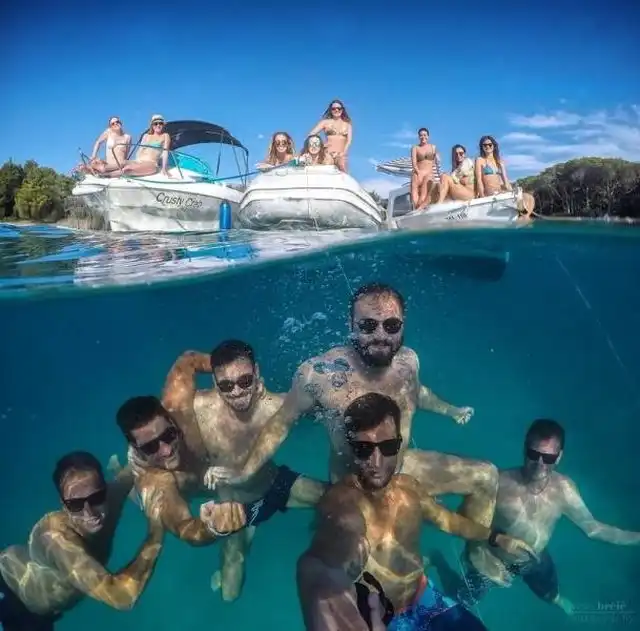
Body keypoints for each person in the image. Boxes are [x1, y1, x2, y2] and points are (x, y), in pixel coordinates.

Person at [207, 283, 498, 576]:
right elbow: (282, 422)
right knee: (375, 571)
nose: (381, 335)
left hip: (400, 469)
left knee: (486, 476)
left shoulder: (408, 361)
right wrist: (245, 471)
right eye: (368, 326)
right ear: (351, 325)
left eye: (391, 325)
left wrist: (449, 410)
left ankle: (475, 554)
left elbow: (416, 392)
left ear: (403, 323)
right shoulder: (318, 375)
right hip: (355, 488)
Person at [296, 393, 535, 630]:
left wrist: (495, 537)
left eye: (387, 447)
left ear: (399, 444)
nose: (376, 462)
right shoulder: (341, 502)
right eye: (364, 448)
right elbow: (330, 547)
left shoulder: (409, 488)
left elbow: (447, 520)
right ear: (351, 448)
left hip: (424, 598)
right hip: (381, 618)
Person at [123, 346, 325, 602]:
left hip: (271, 483)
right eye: (150, 447)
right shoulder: (158, 475)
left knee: (337, 499)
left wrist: (231, 372)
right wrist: (213, 527)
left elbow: (189, 359)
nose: (165, 449)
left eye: (168, 436)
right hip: (233, 508)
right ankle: (119, 472)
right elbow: (186, 529)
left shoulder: (182, 407)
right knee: (230, 594)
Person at [432, 418, 640, 616]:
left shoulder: (564, 491)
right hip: (494, 560)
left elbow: (593, 529)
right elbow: (462, 517)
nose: (540, 463)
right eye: (534, 454)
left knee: (549, 591)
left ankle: (555, 598)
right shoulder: (499, 483)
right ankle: (438, 561)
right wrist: (480, 555)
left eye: (548, 458)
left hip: (535, 557)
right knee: (459, 600)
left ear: (559, 457)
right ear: (524, 449)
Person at [0, 452, 162, 629]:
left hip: (32, 588)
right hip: (17, 601)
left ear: (105, 490)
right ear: (64, 505)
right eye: (76, 505)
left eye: (96, 498)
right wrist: (156, 532)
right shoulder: (58, 541)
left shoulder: (112, 497)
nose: (89, 512)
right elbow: (122, 596)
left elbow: (139, 463)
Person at [474, 135, 535, 217]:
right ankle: (521, 214)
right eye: (485, 145)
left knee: (529, 197)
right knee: (519, 200)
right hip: (489, 193)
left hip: (500, 191)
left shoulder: (499, 161)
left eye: (490, 145)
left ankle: (524, 217)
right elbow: (479, 180)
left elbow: (505, 181)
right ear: (482, 147)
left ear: (494, 146)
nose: (487, 146)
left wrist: (512, 192)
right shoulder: (480, 160)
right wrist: (482, 197)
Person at [308, 99, 353, 172]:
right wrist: (321, 145)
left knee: (342, 168)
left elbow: (349, 141)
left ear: (342, 110)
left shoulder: (348, 125)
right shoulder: (325, 122)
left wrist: (343, 153)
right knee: (326, 170)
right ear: (330, 110)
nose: (336, 110)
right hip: (327, 153)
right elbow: (311, 134)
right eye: (333, 109)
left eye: (339, 108)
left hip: (341, 154)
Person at [410, 128, 440, 210]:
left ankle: (419, 207)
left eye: (425, 135)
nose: (423, 137)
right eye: (421, 135)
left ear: (428, 136)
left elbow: (438, 162)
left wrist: (438, 157)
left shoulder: (433, 147)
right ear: (418, 137)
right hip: (418, 172)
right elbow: (414, 163)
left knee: (423, 195)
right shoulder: (415, 148)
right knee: (414, 186)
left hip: (429, 173)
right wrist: (418, 173)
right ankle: (416, 208)